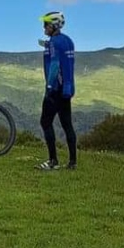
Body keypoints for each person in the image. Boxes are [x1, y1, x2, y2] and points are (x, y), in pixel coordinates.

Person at [36, 11, 77, 170]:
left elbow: (54, 65)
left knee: (45, 122)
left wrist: (49, 86)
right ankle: (72, 162)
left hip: (55, 89)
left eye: (45, 24)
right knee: (67, 124)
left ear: (53, 25)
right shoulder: (68, 41)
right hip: (67, 88)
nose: (43, 27)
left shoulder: (54, 42)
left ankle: (53, 161)